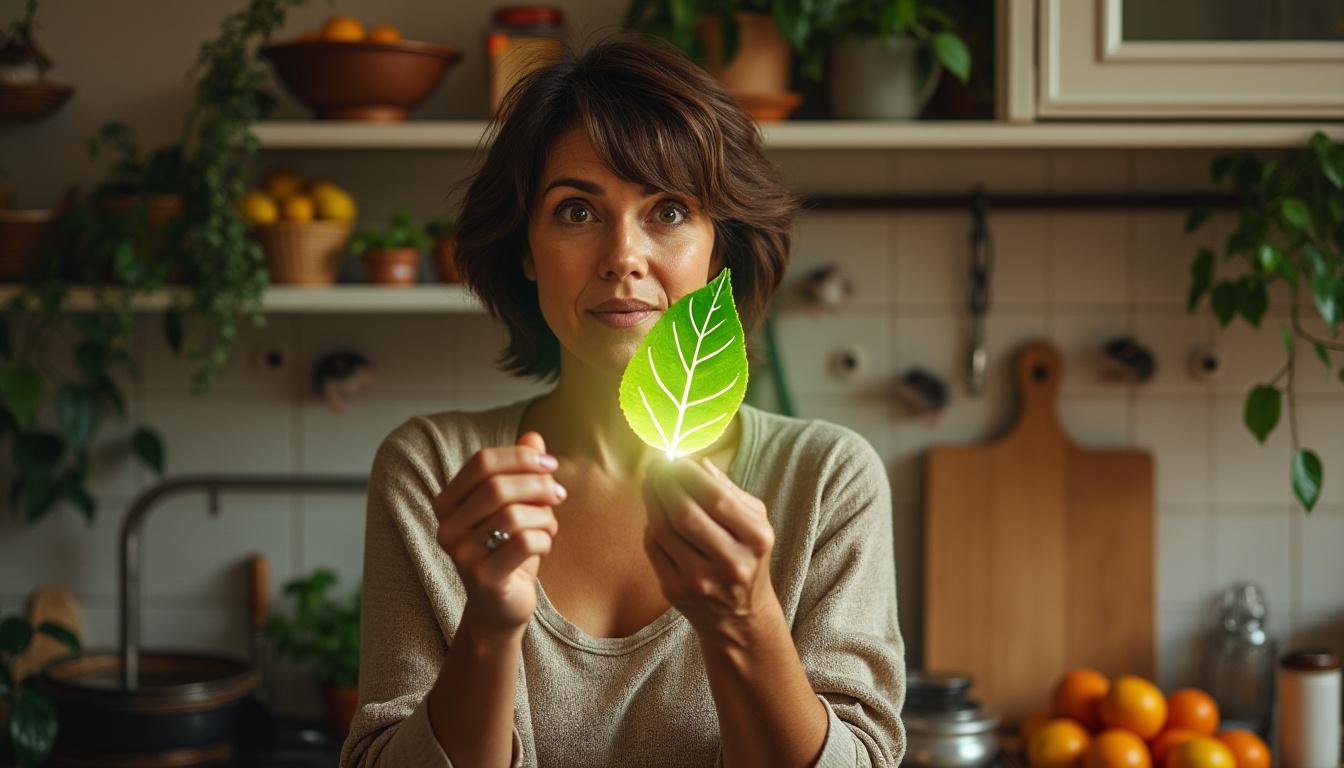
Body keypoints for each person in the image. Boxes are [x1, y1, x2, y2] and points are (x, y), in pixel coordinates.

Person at [340, 34, 905, 768]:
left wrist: (746, 619)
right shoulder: (436, 471)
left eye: (668, 212)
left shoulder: (828, 481)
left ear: (718, 248)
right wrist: (488, 625)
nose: (623, 257)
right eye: (577, 212)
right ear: (525, 249)